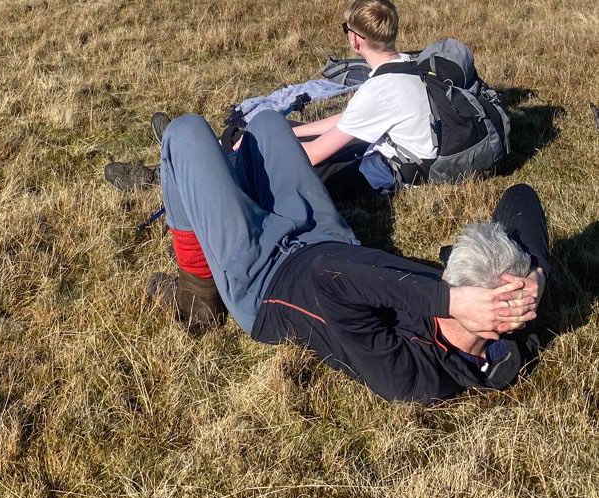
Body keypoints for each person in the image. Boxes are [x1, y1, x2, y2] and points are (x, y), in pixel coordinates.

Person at [143, 106, 548, 402]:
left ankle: (197, 294)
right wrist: (537, 276)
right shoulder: (509, 312)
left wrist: (448, 299)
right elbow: (520, 198)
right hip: (324, 236)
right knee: (266, 124)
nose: (436, 275)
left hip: (264, 282)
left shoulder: (411, 375)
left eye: (445, 280)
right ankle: (230, 175)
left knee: (186, 133)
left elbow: (328, 276)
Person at [291, 0, 437, 189]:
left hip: (402, 169)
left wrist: (262, 145)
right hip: (420, 154)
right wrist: (293, 132)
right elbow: (350, 118)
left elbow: (310, 156)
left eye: (346, 29)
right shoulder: (412, 63)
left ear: (356, 39)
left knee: (307, 173)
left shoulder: (378, 90)